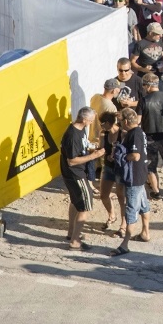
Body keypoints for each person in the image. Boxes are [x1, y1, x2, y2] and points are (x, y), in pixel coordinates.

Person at [60, 107, 105, 251]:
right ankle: (75, 241)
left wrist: (91, 149)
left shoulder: (79, 129)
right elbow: (72, 160)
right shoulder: (73, 135)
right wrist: (94, 156)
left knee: (76, 202)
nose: (91, 123)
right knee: (85, 206)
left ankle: (71, 233)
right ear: (84, 120)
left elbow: (81, 148)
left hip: (73, 174)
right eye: (91, 121)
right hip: (76, 174)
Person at [111, 107, 150, 257]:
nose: (120, 124)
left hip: (134, 176)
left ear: (126, 121)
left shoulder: (134, 134)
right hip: (140, 174)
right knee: (143, 205)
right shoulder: (139, 131)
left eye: (121, 122)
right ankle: (145, 232)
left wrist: (122, 157)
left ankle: (125, 244)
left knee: (131, 209)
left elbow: (135, 156)